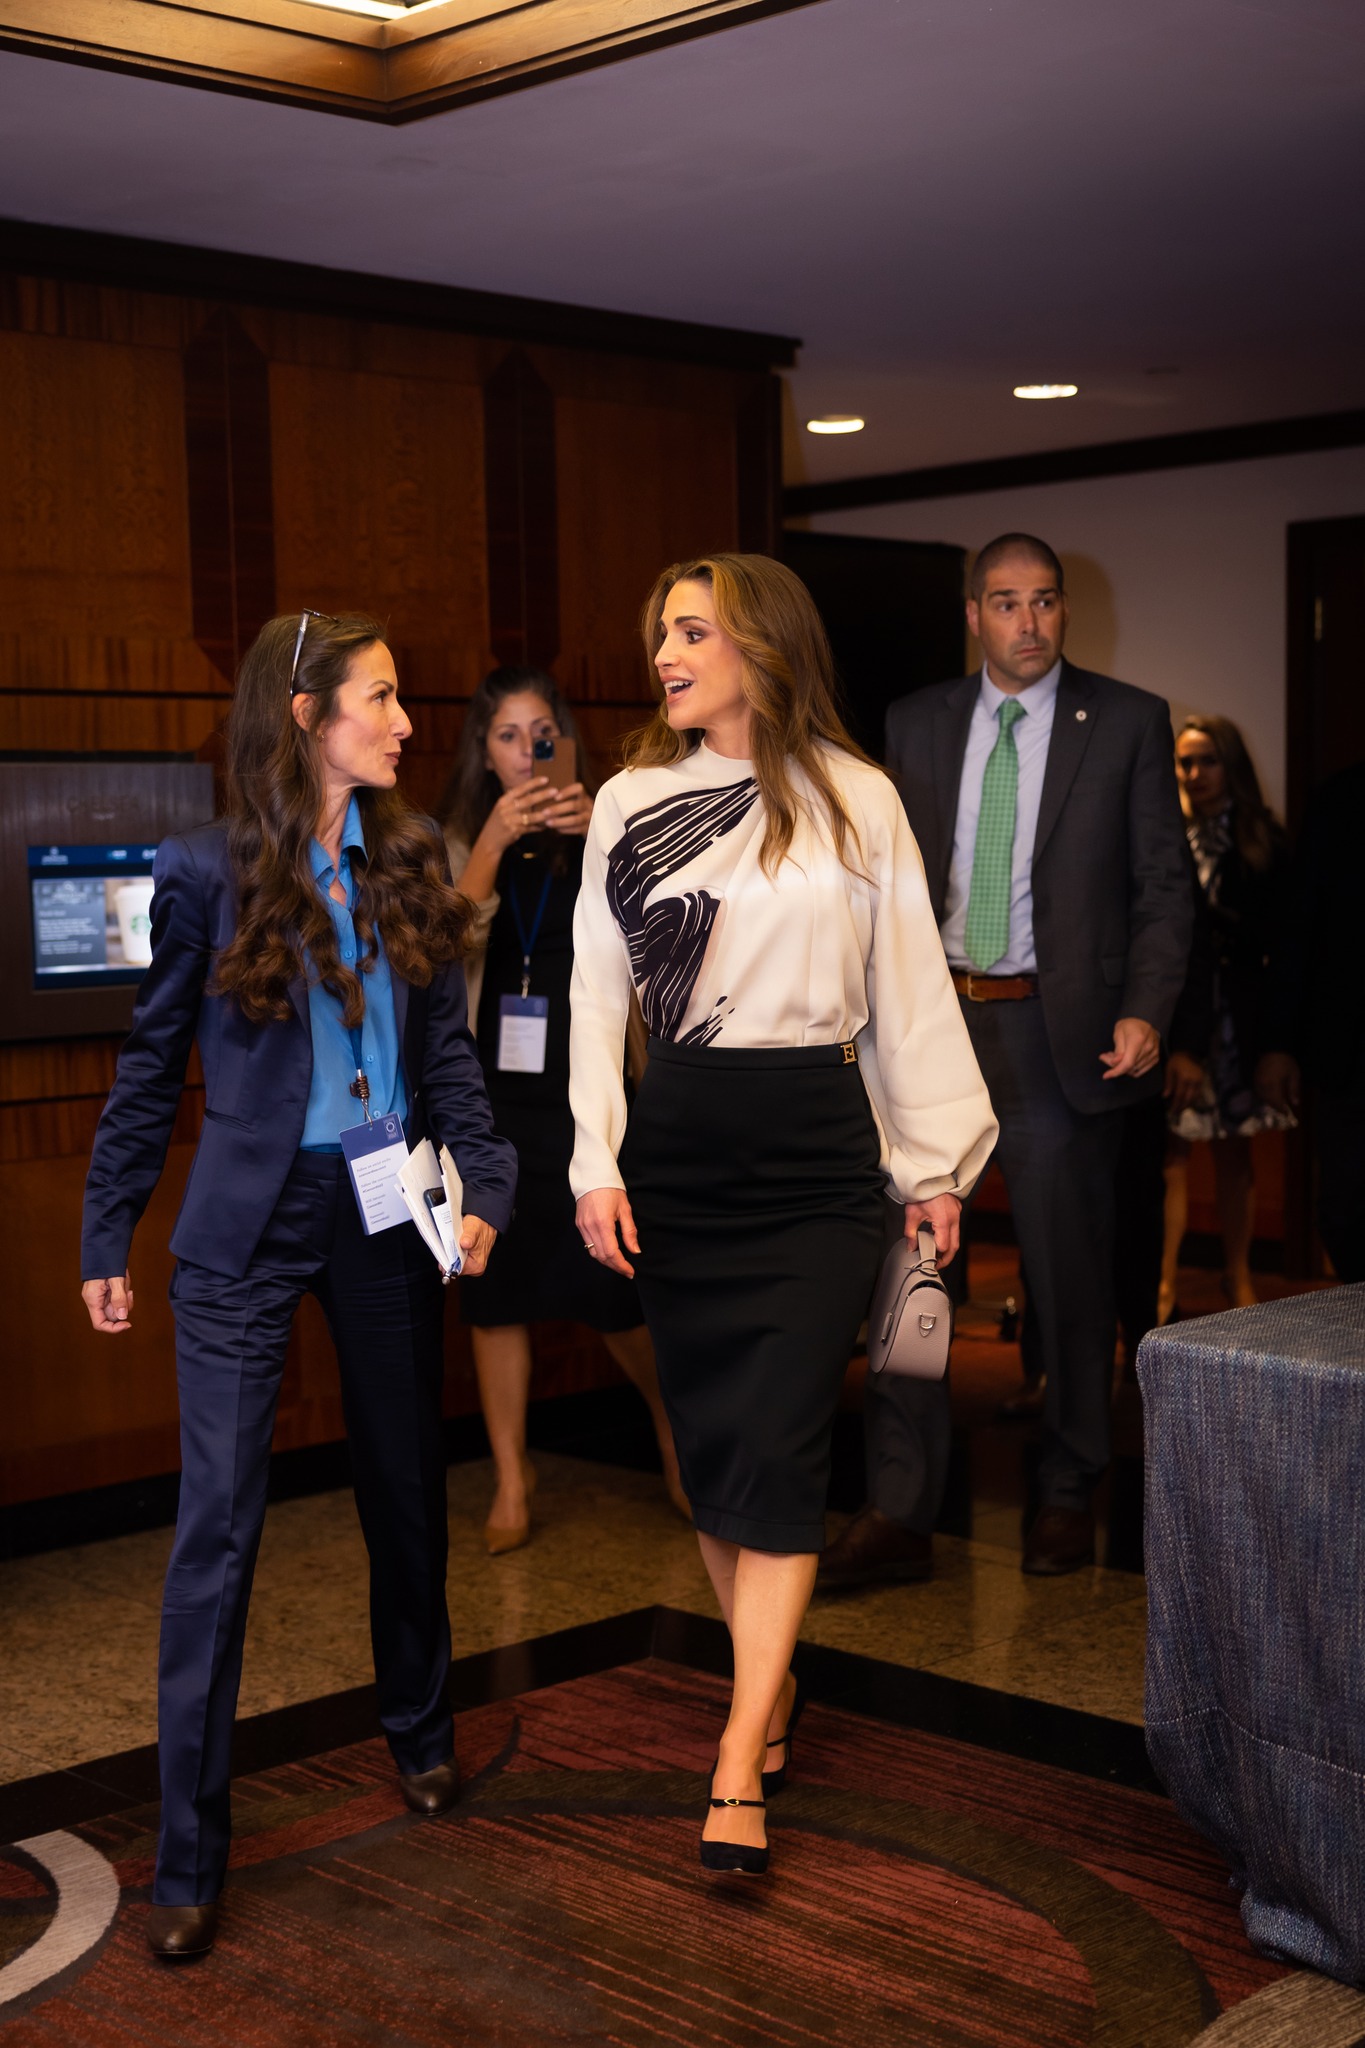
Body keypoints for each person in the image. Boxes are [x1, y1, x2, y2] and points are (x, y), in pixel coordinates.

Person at [80, 611, 517, 1959]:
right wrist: (109, 1228)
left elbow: (445, 1052)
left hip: (384, 1213)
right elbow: (154, 1063)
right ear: (307, 713)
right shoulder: (204, 871)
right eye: (380, 700)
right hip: (244, 1227)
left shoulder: (408, 857)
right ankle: (188, 1857)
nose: (402, 722)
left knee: (402, 1488)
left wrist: (485, 1185)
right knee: (217, 1529)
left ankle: (422, 1729)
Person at [569, 553, 996, 1875]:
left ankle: (736, 1756)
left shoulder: (854, 798)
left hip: (814, 1153)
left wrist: (932, 1173)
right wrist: (594, 1160)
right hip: (682, 1144)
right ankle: (771, 1693)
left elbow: (910, 991)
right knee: (713, 1451)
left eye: (690, 631)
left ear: (761, 642)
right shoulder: (632, 801)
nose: (664, 655)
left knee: (785, 1447)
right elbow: (593, 996)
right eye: (657, 634)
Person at [820, 533, 1193, 1584]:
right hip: (934, 1026)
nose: (1028, 622)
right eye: (1005, 602)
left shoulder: (1124, 721)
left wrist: (1147, 1010)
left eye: (1045, 602)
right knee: (913, 1270)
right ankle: (900, 1503)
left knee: (1069, 1280)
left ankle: (1069, 1488)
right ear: (973, 613)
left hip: (1059, 1036)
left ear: (1064, 610)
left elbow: (1165, 888)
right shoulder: (916, 722)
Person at [438, 665, 686, 1550]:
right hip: (489, 1097)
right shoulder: (459, 833)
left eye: (542, 733)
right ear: (484, 750)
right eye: (508, 736)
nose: (527, 752)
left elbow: (655, 937)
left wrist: (601, 842)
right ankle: (512, 1477)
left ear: (567, 740)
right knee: (493, 1289)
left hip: (582, 1089)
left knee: (612, 1287)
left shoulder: (608, 823)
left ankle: (671, 1434)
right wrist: (495, 843)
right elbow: (442, 942)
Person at [1158, 716, 1292, 1317]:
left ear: (1230, 764)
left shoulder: (1264, 838)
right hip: (1177, 1015)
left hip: (1238, 1020)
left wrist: (1276, 1042)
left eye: (1207, 760)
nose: (1194, 774)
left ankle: (1237, 1278)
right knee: (1170, 1155)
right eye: (1185, 761)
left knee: (1235, 1153)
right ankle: (1160, 1288)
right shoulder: (1164, 834)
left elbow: (1285, 947)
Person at [1255, 757, 1365, 1281]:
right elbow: (1300, 926)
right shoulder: (1341, 797)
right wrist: (1279, 1043)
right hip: (1351, 1051)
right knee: (1344, 1210)